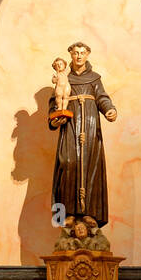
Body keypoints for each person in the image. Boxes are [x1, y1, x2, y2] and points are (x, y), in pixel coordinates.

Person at [49, 42, 116, 228]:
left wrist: (110, 110)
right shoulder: (65, 77)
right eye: (75, 53)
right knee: (68, 164)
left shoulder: (94, 79)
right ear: (70, 55)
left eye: (82, 53)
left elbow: (102, 97)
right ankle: (66, 214)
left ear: (87, 55)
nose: (79, 56)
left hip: (91, 127)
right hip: (69, 126)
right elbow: (55, 100)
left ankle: (91, 214)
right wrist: (54, 119)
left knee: (91, 167)